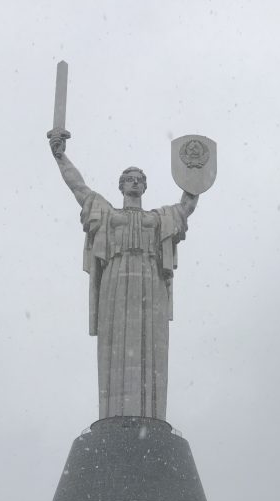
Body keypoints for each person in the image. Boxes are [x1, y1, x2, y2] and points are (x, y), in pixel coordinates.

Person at [48, 128, 198, 420]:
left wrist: (195, 177)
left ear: (144, 187)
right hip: (115, 281)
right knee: (114, 344)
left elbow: (187, 206)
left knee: (151, 345)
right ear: (121, 185)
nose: (134, 182)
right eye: (129, 179)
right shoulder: (108, 214)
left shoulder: (157, 219)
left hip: (149, 280)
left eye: (139, 180)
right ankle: (114, 415)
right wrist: (60, 156)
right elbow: (78, 188)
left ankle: (150, 416)